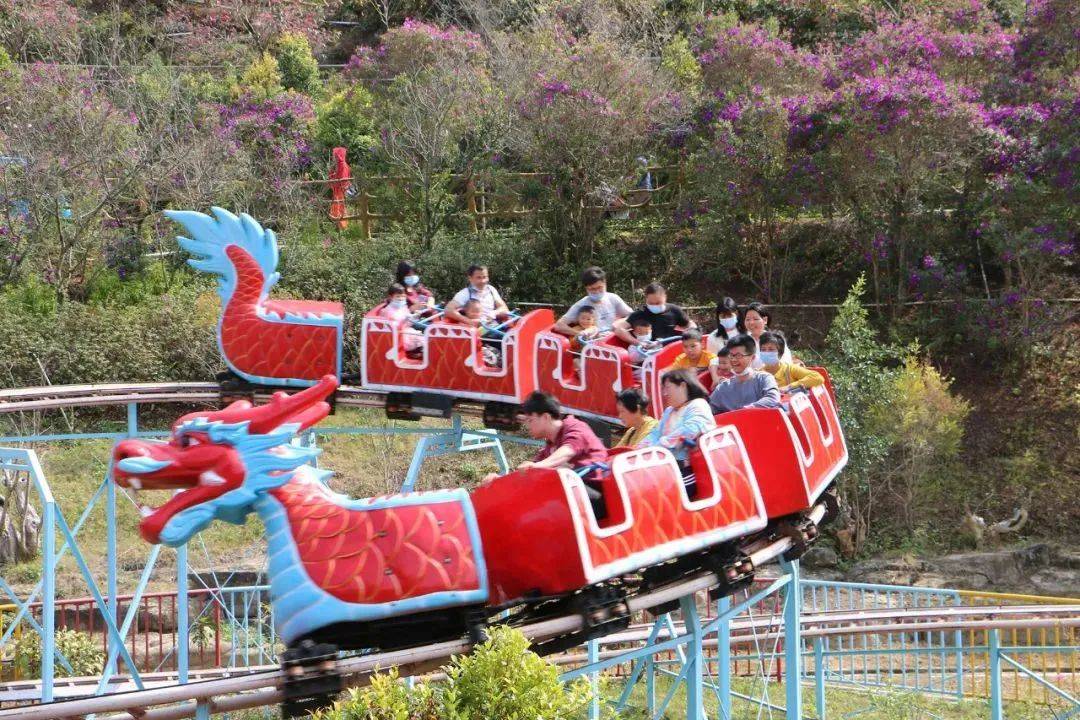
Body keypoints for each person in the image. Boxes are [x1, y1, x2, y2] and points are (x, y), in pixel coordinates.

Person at [483, 392, 607, 484]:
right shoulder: (549, 446)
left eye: (530, 420)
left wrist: (539, 466)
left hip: (595, 488)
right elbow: (528, 472)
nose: (527, 426)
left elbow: (568, 451)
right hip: (574, 491)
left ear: (546, 417)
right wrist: (500, 480)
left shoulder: (575, 427)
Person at [642, 370, 717, 488]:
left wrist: (657, 448)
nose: (664, 393)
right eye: (663, 389)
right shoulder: (669, 411)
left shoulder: (698, 404)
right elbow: (655, 433)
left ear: (682, 386)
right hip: (664, 466)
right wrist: (640, 449)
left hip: (690, 470)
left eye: (667, 388)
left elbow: (690, 430)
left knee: (654, 489)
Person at [708, 334, 782, 413]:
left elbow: (773, 398)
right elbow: (708, 409)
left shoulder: (764, 378)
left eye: (738, 356)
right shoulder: (723, 388)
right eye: (731, 356)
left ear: (752, 358)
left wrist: (746, 410)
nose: (733, 360)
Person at [553, 267, 633, 336]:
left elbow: (633, 316)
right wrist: (579, 333)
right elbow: (559, 325)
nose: (597, 291)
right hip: (594, 344)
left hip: (614, 338)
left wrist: (620, 322)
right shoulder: (581, 304)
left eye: (599, 287)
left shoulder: (613, 298)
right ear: (586, 288)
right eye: (592, 289)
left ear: (605, 283)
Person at [613, 283, 694, 345]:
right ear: (646, 299)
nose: (655, 305)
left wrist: (691, 333)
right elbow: (619, 329)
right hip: (648, 353)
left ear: (665, 297)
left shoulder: (674, 310)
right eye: (651, 303)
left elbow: (690, 325)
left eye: (658, 302)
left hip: (670, 351)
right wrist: (637, 343)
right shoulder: (639, 314)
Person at [758, 331, 824, 393]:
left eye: (771, 349)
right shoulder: (758, 374)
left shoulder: (789, 369)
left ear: (780, 353)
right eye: (763, 350)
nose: (766, 352)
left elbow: (817, 378)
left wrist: (789, 387)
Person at [445, 265, 510, 326]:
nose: (483, 281)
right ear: (470, 278)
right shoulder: (465, 293)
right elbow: (448, 310)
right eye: (479, 278)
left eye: (485, 277)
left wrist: (494, 313)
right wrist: (468, 321)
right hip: (477, 331)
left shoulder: (491, 289)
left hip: (493, 326)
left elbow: (504, 309)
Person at [741, 301, 793, 369]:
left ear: (765, 320)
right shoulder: (741, 341)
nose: (751, 323)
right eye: (747, 319)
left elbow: (787, 362)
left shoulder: (776, 339)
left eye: (755, 319)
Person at [376, 283, 423, 354]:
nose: (401, 299)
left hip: (405, 331)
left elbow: (408, 323)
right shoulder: (387, 311)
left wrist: (415, 316)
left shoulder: (403, 307)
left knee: (421, 336)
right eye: (398, 296)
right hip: (395, 336)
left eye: (403, 296)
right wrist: (404, 321)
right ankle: (412, 353)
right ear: (390, 297)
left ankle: (416, 353)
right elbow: (388, 328)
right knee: (417, 337)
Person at [461, 299, 503, 366]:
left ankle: (501, 356)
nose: (476, 314)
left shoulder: (482, 318)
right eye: (473, 311)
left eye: (478, 311)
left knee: (499, 335)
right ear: (466, 311)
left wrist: (488, 320)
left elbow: (486, 324)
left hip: (486, 337)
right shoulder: (466, 320)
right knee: (497, 337)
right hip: (479, 340)